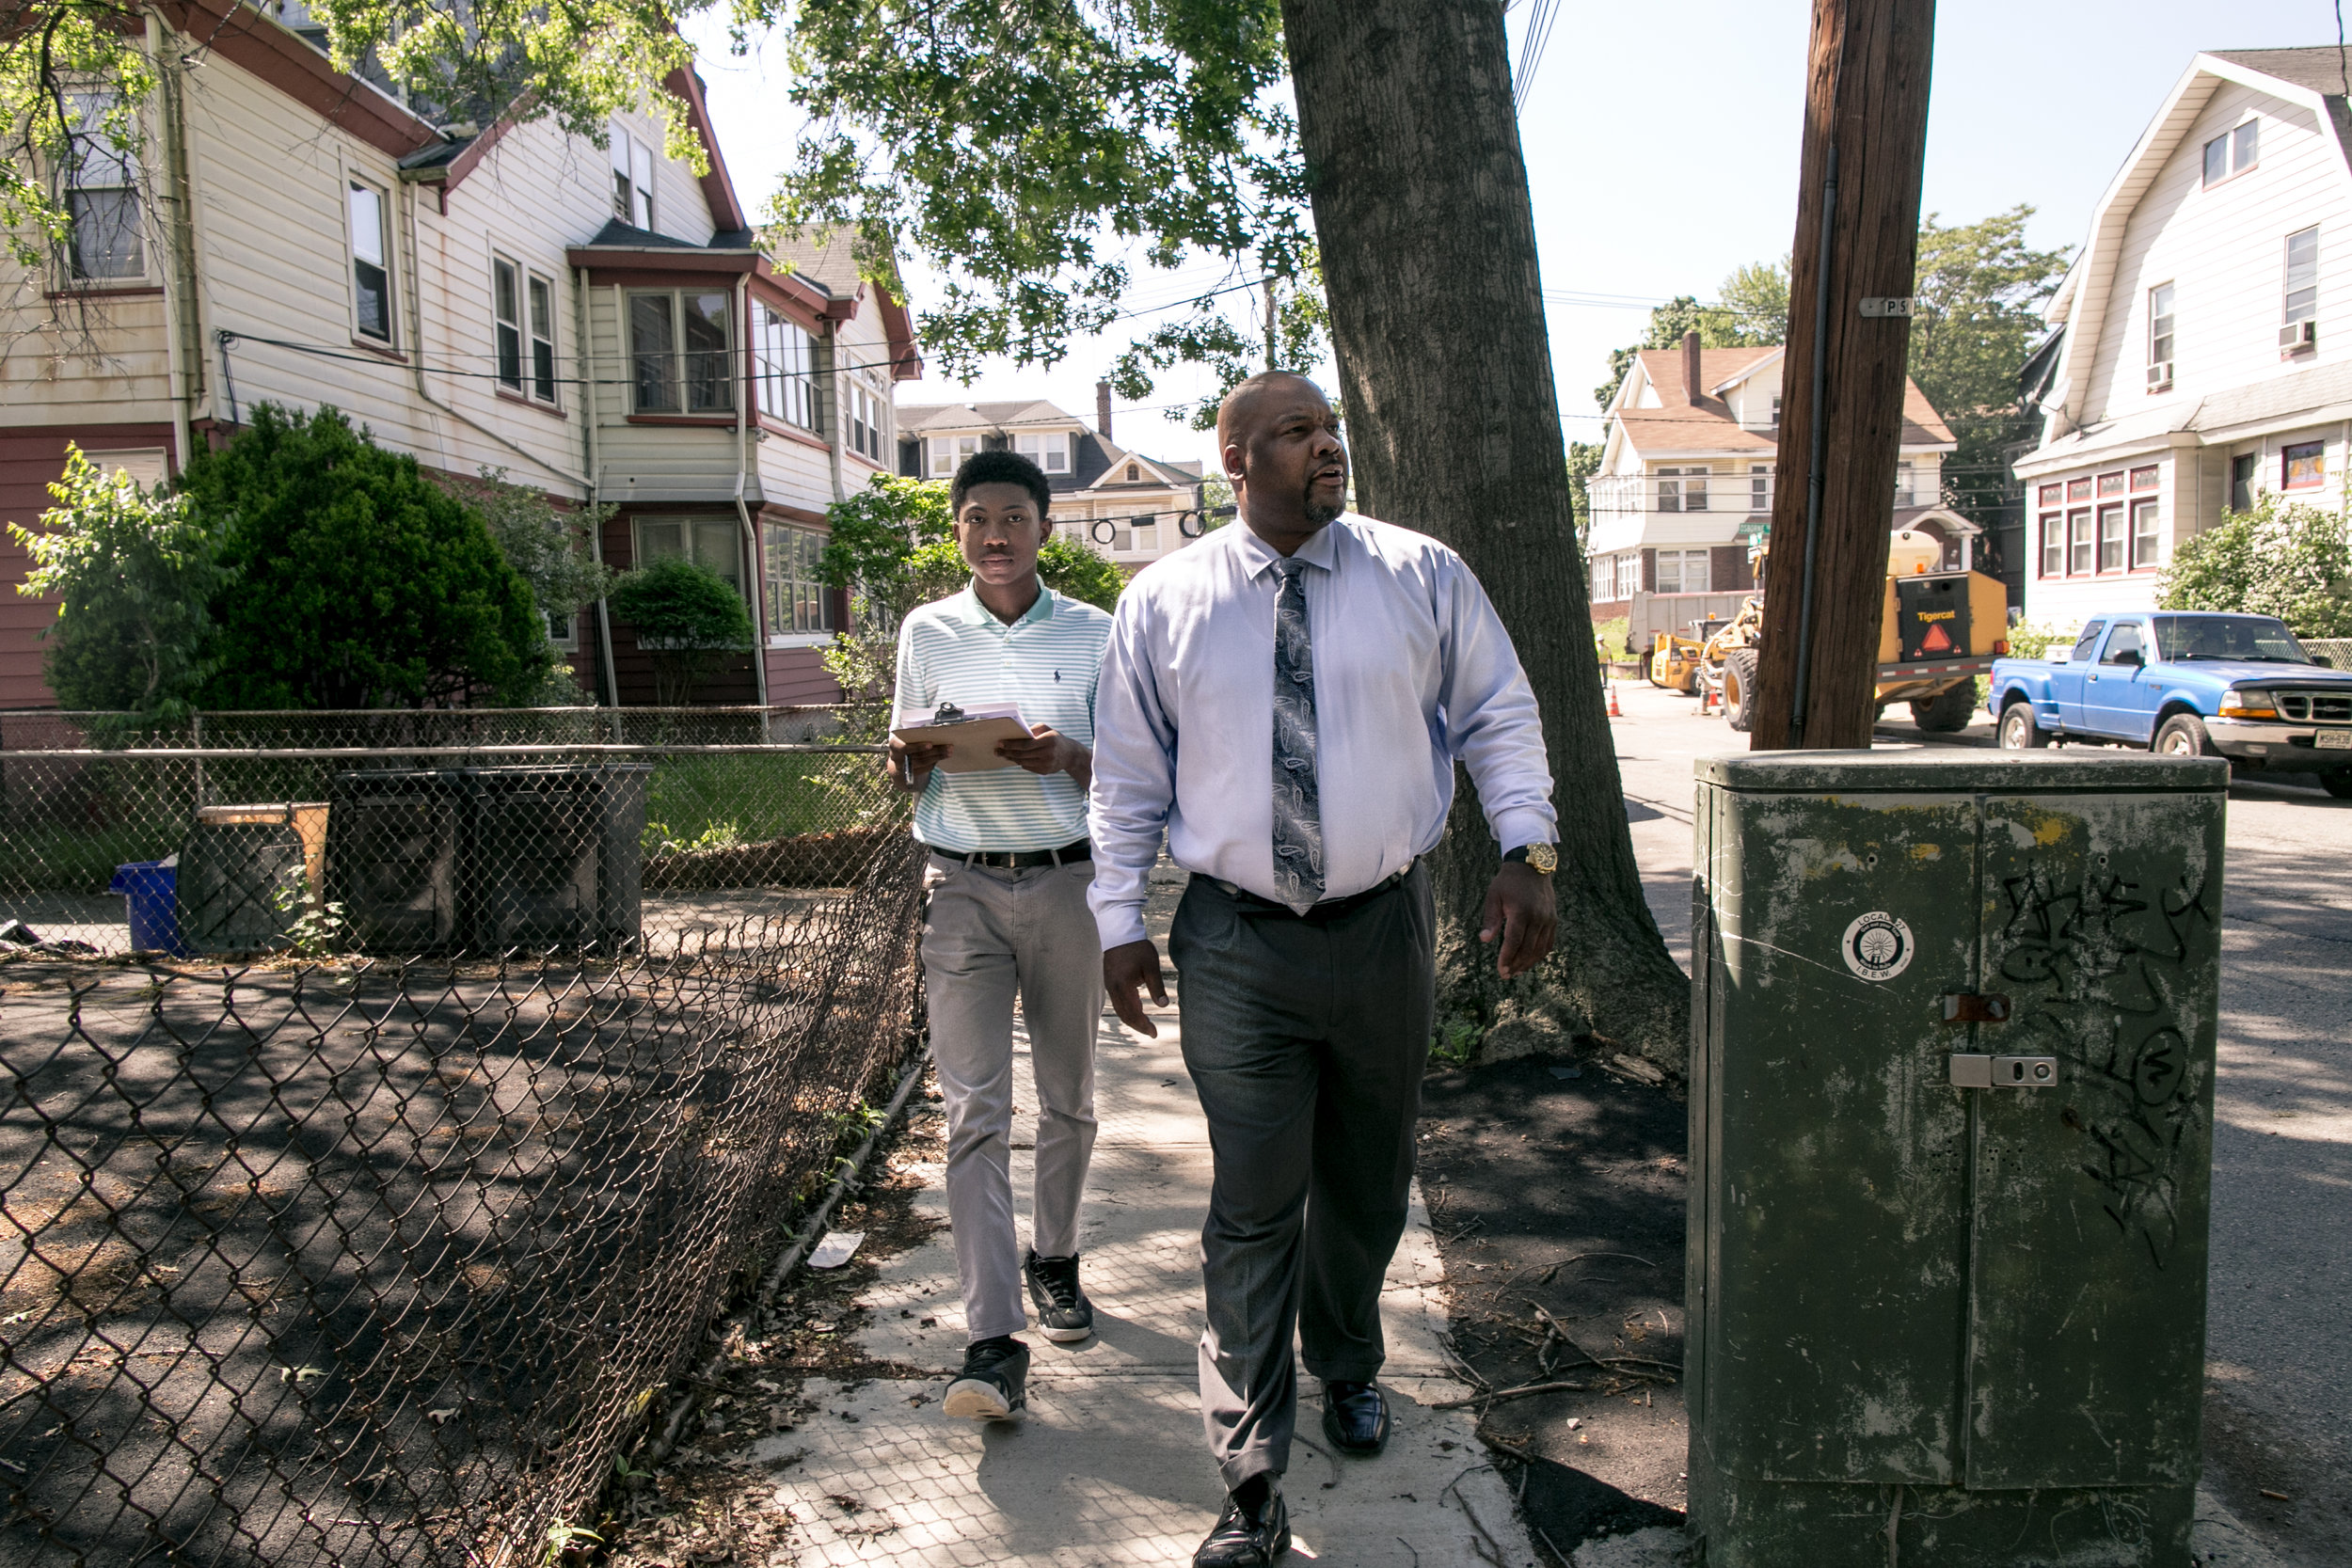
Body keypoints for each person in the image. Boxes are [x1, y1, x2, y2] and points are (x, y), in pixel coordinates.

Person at [1088, 372, 1559, 1567]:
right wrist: (1115, 919)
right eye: (1296, 432)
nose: (1326, 447)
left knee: (1364, 1179)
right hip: (1235, 940)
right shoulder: (1165, 601)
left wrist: (1527, 846)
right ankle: (1249, 1480)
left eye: (1331, 428)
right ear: (1235, 459)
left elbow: (1499, 711)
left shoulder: (1421, 574)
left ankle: (1347, 1355)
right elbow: (1127, 777)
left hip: (1381, 929)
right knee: (1253, 1206)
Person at [888, 449, 1114, 1424]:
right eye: (974, 517)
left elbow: (1134, 776)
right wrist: (907, 757)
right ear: (957, 531)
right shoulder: (927, 631)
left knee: (1067, 1097)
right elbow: (909, 765)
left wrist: (1064, 754)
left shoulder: (1101, 634)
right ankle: (991, 1335)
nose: (993, 534)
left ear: (1043, 527)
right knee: (974, 1110)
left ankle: (1054, 1258)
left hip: (1067, 884)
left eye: (1012, 516)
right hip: (961, 888)